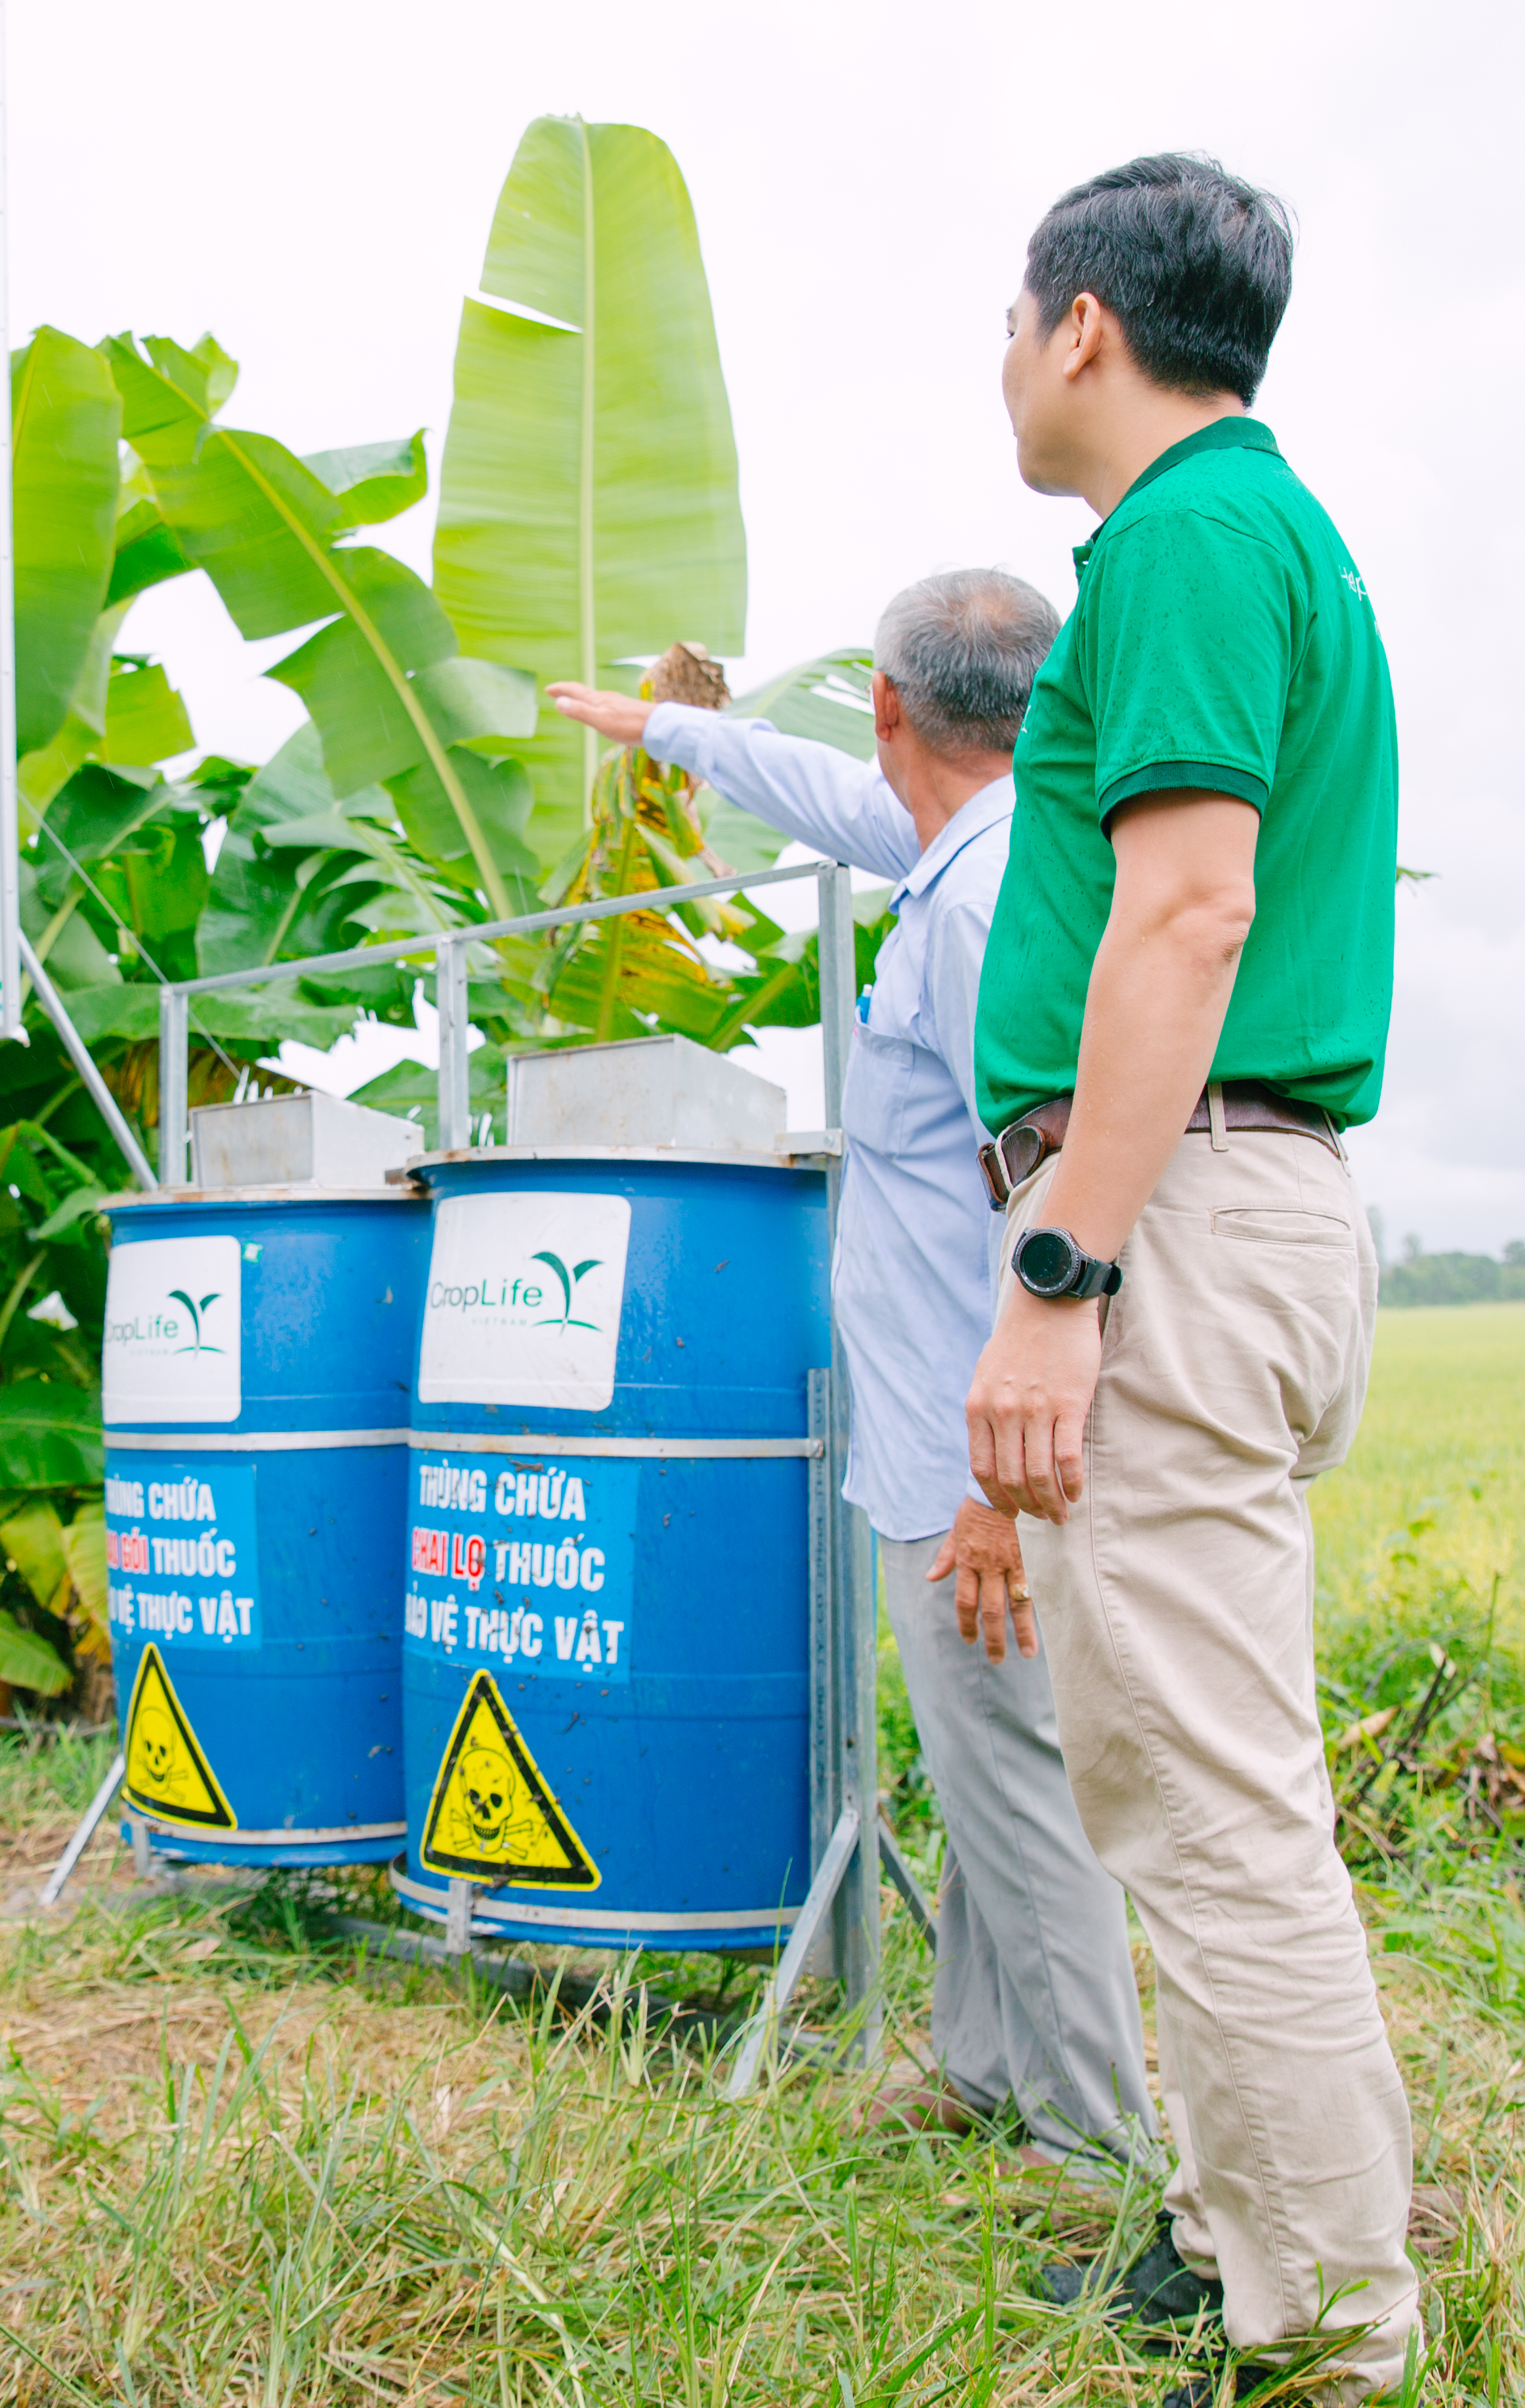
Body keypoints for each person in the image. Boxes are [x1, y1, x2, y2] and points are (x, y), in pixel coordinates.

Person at [965, 154, 1413, 2401]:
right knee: (1192, 1775)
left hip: (1176, 1210)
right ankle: (1231, 2238)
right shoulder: (1241, 532)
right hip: (1228, 1205)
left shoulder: (1188, 539)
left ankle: (1326, 2332)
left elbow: (1189, 916)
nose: (1006, 357)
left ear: (1081, 328)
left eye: (1008, 317)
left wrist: (1060, 1267)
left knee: (1215, 1808)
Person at [544, 572, 1151, 2174]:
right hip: (938, 1451)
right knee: (982, 1769)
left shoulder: (972, 909)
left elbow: (1049, 1196)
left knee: (1021, 1797)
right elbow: (830, 795)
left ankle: (1095, 2156)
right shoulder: (976, 847)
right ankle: (976, 2070)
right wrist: (678, 733)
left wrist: (990, 1500)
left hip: (982, 1462)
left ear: (893, 708)